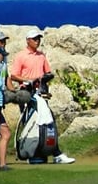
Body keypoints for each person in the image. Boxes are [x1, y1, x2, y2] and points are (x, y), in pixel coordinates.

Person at [8, 28, 76, 164]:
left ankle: (47, 152)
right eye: (34, 39)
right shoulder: (21, 56)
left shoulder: (41, 56)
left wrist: (45, 83)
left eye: (38, 39)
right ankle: (31, 152)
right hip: (27, 94)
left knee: (47, 123)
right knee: (31, 124)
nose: (37, 41)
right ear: (28, 40)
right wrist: (29, 80)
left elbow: (47, 73)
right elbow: (14, 75)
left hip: (41, 95)